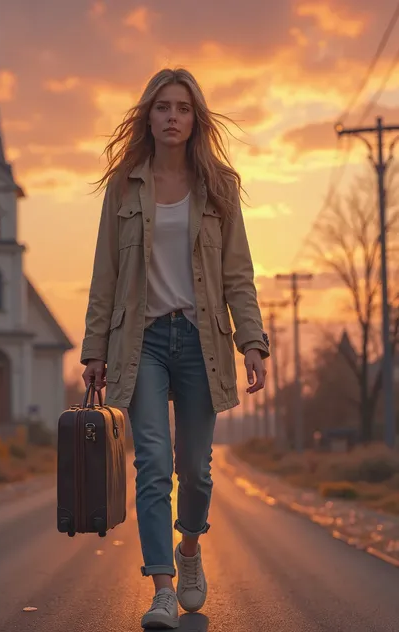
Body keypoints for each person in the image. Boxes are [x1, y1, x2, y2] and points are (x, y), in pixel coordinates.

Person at [81, 67, 269, 629]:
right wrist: (95, 348)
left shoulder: (220, 187)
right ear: (149, 115)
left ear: (195, 118)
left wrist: (253, 341)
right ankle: (162, 587)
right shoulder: (123, 186)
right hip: (140, 342)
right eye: (162, 107)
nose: (171, 117)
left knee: (197, 468)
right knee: (155, 465)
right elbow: (104, 273)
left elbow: (238, 273)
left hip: (200, 340)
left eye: (182, 108)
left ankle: (190, 551)